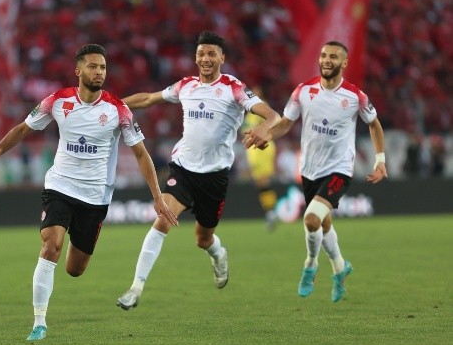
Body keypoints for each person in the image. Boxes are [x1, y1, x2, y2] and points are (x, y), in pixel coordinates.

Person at [0, 44, 178, 341]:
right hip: (60, 186)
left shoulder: (118, 110)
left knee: (75, 269)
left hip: (96, 197)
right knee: (51, 244)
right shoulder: (57, 101)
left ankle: (63, 260)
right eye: (92, 66)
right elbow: (23, 129)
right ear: (78, 71)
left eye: (102, 67)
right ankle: (39, 322)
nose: (99, 72)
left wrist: (156, 196)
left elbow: (141, 154)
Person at [116, 31, 281, 310]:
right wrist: (114, 104)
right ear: (196, 57)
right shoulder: (186, 85)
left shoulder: (233, 87)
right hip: (183, 169)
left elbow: (273, 115)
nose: (205, 59)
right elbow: (147, 99)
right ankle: (135, 287)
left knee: (202, 239)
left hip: (215, 177)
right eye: (201, 54)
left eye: (211, 54)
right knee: (162, 221)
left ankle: (218, 254)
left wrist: (264, 128)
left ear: (221, 58)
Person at [243, 41, 387, 303]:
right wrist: (267, 135)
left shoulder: (355, 96)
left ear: (344, 63)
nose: (326, 60)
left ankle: (310, 265)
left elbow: (374, 125)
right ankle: (340, 268)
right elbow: (286, 123)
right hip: (310, 169)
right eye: (323, 55)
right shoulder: (303, 91)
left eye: (333, 56)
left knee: (311, 220)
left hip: (339, 169)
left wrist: (380, 160)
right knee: (324, 222)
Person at [241, 86, 279, 231]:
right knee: (260, 182)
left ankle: (271, 212)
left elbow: (273, 122)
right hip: (253, 149)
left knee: (263, 180)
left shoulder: (262, 107)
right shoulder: (250, 111)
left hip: (262, 148)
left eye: (256, 92)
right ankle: (270, 212)